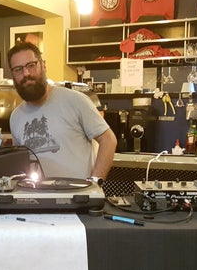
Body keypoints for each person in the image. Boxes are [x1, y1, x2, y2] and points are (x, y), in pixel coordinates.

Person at [7, 42, 116, 181]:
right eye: (18, 69)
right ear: (13, 75)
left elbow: (108, 139)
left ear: (43, 65)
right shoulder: (16, 117)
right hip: (36, 199)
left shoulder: (75, 101)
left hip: (78, 198)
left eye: (31, 65)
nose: (26, 73)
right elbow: (20, 163)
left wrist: (95, 184)